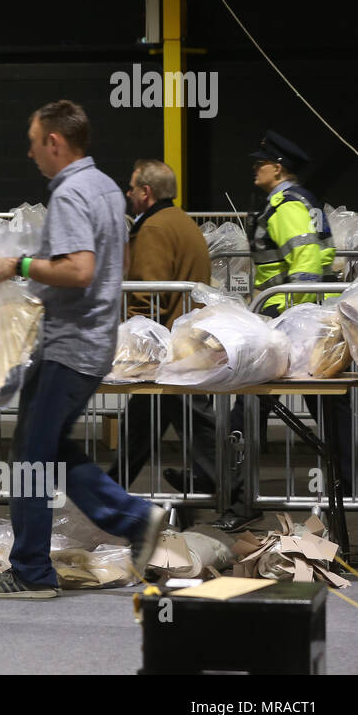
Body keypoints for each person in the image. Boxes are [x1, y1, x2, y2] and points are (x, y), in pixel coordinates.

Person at [0, 100, 167, 599]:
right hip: (93, 339)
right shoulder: (104, 188)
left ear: (55, 143)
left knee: (33, 458)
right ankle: (133, 519)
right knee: (49, 449)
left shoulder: (72, 192)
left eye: (35, 143)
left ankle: (33, 572)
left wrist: (16, 267)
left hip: (68, 345)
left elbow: (79, 269)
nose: (31, 153)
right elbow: (112, 260)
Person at [217, 131, 358, 532]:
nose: (254, 168)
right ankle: (353, 485)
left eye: (260, 163)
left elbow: (306, 261)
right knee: (330, 412)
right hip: (291, 322)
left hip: (285, 326)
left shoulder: (286, 205)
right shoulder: (301, 201)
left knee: (247, 409)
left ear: (277, 167)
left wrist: (295, 323)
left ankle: (241, 500)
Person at [112, 159, 225, 497]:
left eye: (132, 188)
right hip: (184, 343)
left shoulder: (154, 228)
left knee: (196, 423)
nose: (128, 194)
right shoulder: (180, 220)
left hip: (171, 350)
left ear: (145, 192)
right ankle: (111, 491)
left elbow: (146, 294)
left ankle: (235, 495)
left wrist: (134, 347)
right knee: (142, 425)